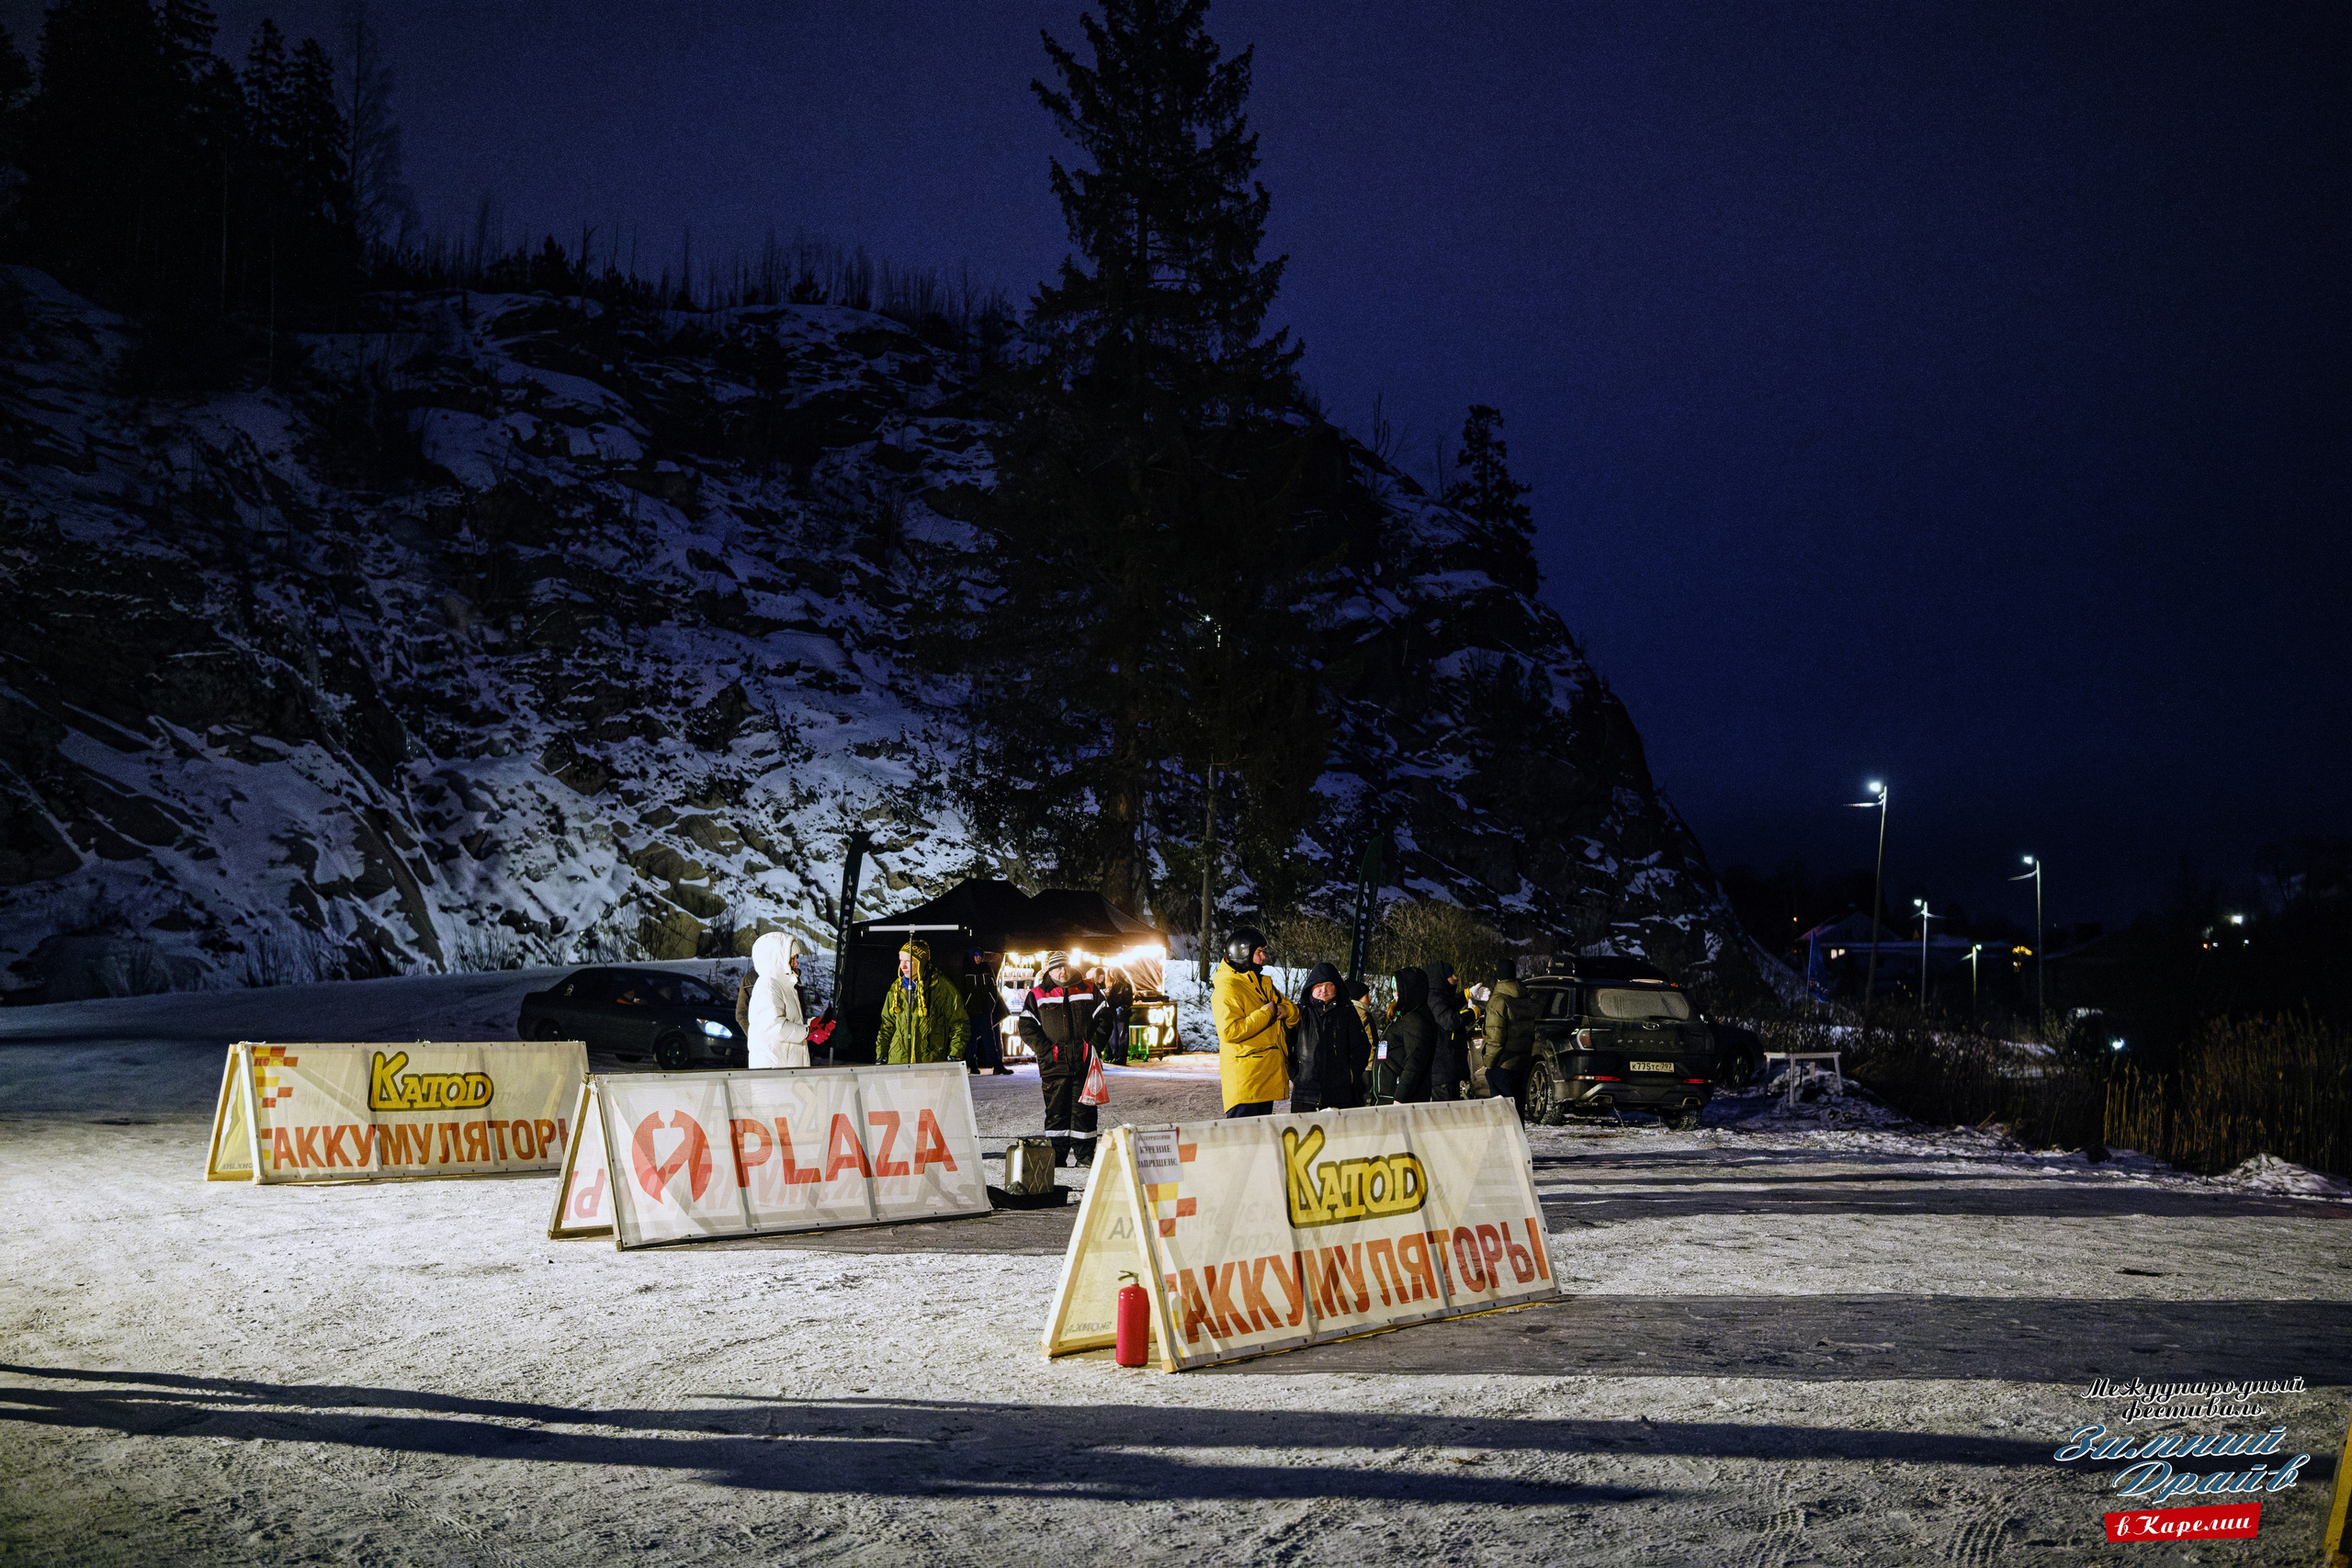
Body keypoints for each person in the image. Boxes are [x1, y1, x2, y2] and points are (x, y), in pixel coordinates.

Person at [1017, 950, 1110, 1164]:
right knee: (1056, 1112)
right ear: (1049, 971)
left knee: (1084, 1111)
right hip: (1053, 1065)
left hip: (1084, 1064)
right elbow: (1027, 1025)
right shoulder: (1038, 994)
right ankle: (1057, 1157)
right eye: (1057, 968)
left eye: (1065, 966)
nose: (1062, 971)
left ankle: (1084, 1156)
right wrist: (1045, 1051)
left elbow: (1105, 1018)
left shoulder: (1089, 989)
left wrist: (1093, 1047)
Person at [1213, 925, 1295, 1117]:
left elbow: (1289, 1008)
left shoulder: (1262, 984)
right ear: (1243, 953)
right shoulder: (1227, 988)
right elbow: (1230, 1032)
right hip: (1246, 1084)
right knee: (1243, 1135)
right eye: (1259, 952)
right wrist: (1266, 1013)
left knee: (1260, 1135)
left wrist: (1287, 1011)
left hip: (1264, 1080)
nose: (1264, 957)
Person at [1289, 961, 1369, 1113]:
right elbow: (1286, 1047)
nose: (1323, 990)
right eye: (1318, 985)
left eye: (1329, 985)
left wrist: (1350, 1075)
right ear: (1310, 988)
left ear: (1336, 987)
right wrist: (1297, 1076)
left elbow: (1361, 1047)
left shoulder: (1348, 1013)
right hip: (1305, 1096)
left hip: (1340, 1095)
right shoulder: (1300, 1013)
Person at [877, 937, 967, 1065]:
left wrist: (954, 1055)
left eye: (908, 961)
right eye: (901, 960)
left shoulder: (942, 988)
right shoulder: (896, 988)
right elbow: (887, 1025)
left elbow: (959, 1024)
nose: (903, 966)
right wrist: (881, 1055)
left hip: (930, 1063)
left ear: (921, 962)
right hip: (898, 1063)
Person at [745, 931, 811, 1069]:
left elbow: (791, 1021)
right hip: (774, 1068)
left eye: (797, 958)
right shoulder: (768, 986)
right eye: (792, 959)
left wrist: (812, 1023)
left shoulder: (785, 985)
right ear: (778, 959)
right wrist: (808, 1032)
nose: (796, 963)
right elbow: (775, 1027)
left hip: (787, 1066)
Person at [1482, 971, 1540, 1108]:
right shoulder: (1525, 998)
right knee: (1517, 1108)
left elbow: (1496, 1038)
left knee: (1502, 1111)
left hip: (1503, 1063)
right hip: (1522, 1062)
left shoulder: (1498, 1001)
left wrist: (1489, 1063)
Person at [1381, 966, 1440, 1102]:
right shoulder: (1406, 1016)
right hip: (1391, 1095)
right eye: (1393, 989)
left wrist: (1399, 1099)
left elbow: (1415, 1062)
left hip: (1399, 1099)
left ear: (1410, 990)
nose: (1395, 994)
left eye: (1398, 989)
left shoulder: (1414, 1020)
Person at [1423, 959, 1471, 1101]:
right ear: (1442, 978)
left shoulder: (1438, 995)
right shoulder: (1434, 998)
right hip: (1441, 1072)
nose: (1455, 978)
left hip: (1445, 1071)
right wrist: (1472, 1013)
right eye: (1451, 975)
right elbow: (1449, 1020)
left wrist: (1465, 995)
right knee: (1446, 1109)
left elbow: (1449, 1004)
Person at [962, 949, 1007, 1075]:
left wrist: (991, 1003)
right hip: (971, 1011)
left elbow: (993, 987)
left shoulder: (986, 969)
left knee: (989, 1040)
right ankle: (972, 1065)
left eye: (980, 956)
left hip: (985, 1011)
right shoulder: (966, 971)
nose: (978, 959)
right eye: (976, 956)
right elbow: (963, 990)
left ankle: (997, 1066)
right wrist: (967, 1005)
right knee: (971, 1040)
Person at [1102, 967, 1135, 1065]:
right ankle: (1119, 1057)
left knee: (1119, 1035)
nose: (1112, 974)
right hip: (1120, 1012)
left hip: (1119, 1012)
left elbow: (1120, 1000)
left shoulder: (1120, 985)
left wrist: (1109, 997)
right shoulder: (1124, 984)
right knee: (1119, 1035)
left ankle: (1119, 1057)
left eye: (1113, 973)